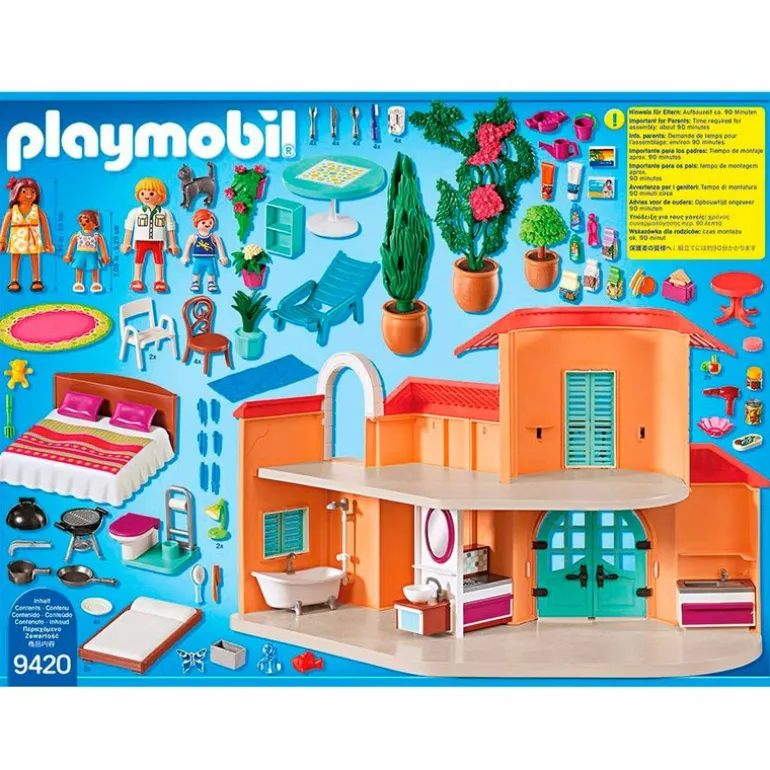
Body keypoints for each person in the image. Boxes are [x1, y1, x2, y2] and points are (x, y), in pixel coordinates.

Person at [120, 177, 179, 293]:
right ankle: (137, 279)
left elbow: (170, 228)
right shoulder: (135, 212)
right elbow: (129, 227)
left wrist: (173, 244)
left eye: (151, 193)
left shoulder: (165, 212)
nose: (147, 196)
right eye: (143, 193)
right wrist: (126, 243)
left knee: (159, 259)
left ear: (160, 195)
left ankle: (159, 280)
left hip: (158, 241)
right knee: (139, 258)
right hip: (141, 241)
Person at [0, 177, 54, 292]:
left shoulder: (38, 211)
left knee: (35, 256)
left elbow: (45, 227)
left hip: (33, 238)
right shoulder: (12, 211)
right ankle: (14, 280)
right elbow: (4, 227)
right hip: (16, 238)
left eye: (32, 192)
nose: (29, 195)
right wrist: (2, 240)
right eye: (24, 192)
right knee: (15, 256)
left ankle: (36, 279)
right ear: (16, 193)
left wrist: (48, 243)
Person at [181, 208, 228, 293]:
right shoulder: (194, 237)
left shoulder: (214, 237)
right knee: (196, 271)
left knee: (211, 271)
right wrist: (185, 256)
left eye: (210, 222)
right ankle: (195, 282)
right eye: (203, 222)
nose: (207, 224)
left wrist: (222, 256)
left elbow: (220, 247)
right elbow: (187, 247)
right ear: (196, 223)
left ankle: (211, 282)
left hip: (210, 259)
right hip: (198, 259)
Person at [63, 210, 110, 293]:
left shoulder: (97, 236)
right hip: (80, 254)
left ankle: (95, 283)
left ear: (95, 223)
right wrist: (68, 255)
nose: (83, 222)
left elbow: (102, 246)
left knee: (94, 268)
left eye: (87, 221)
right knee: (79, 268)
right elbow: (71, 244)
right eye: (81, 220)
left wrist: (105, 256)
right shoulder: (77, 235)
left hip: (93, 254)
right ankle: (78, 282)